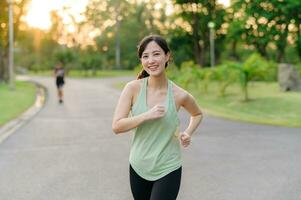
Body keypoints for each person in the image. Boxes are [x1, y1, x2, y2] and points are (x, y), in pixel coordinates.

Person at [112, 34, 203, 200]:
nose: (151, 60)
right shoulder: (132, 89)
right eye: (145, 56)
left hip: (168, 166)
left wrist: (188, 132)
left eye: (156, 54)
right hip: (139, 165)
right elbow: (117, 126)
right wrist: (146, 115)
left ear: (167, 56)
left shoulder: (179, 95)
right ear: (141, 60)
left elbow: (197, 114)